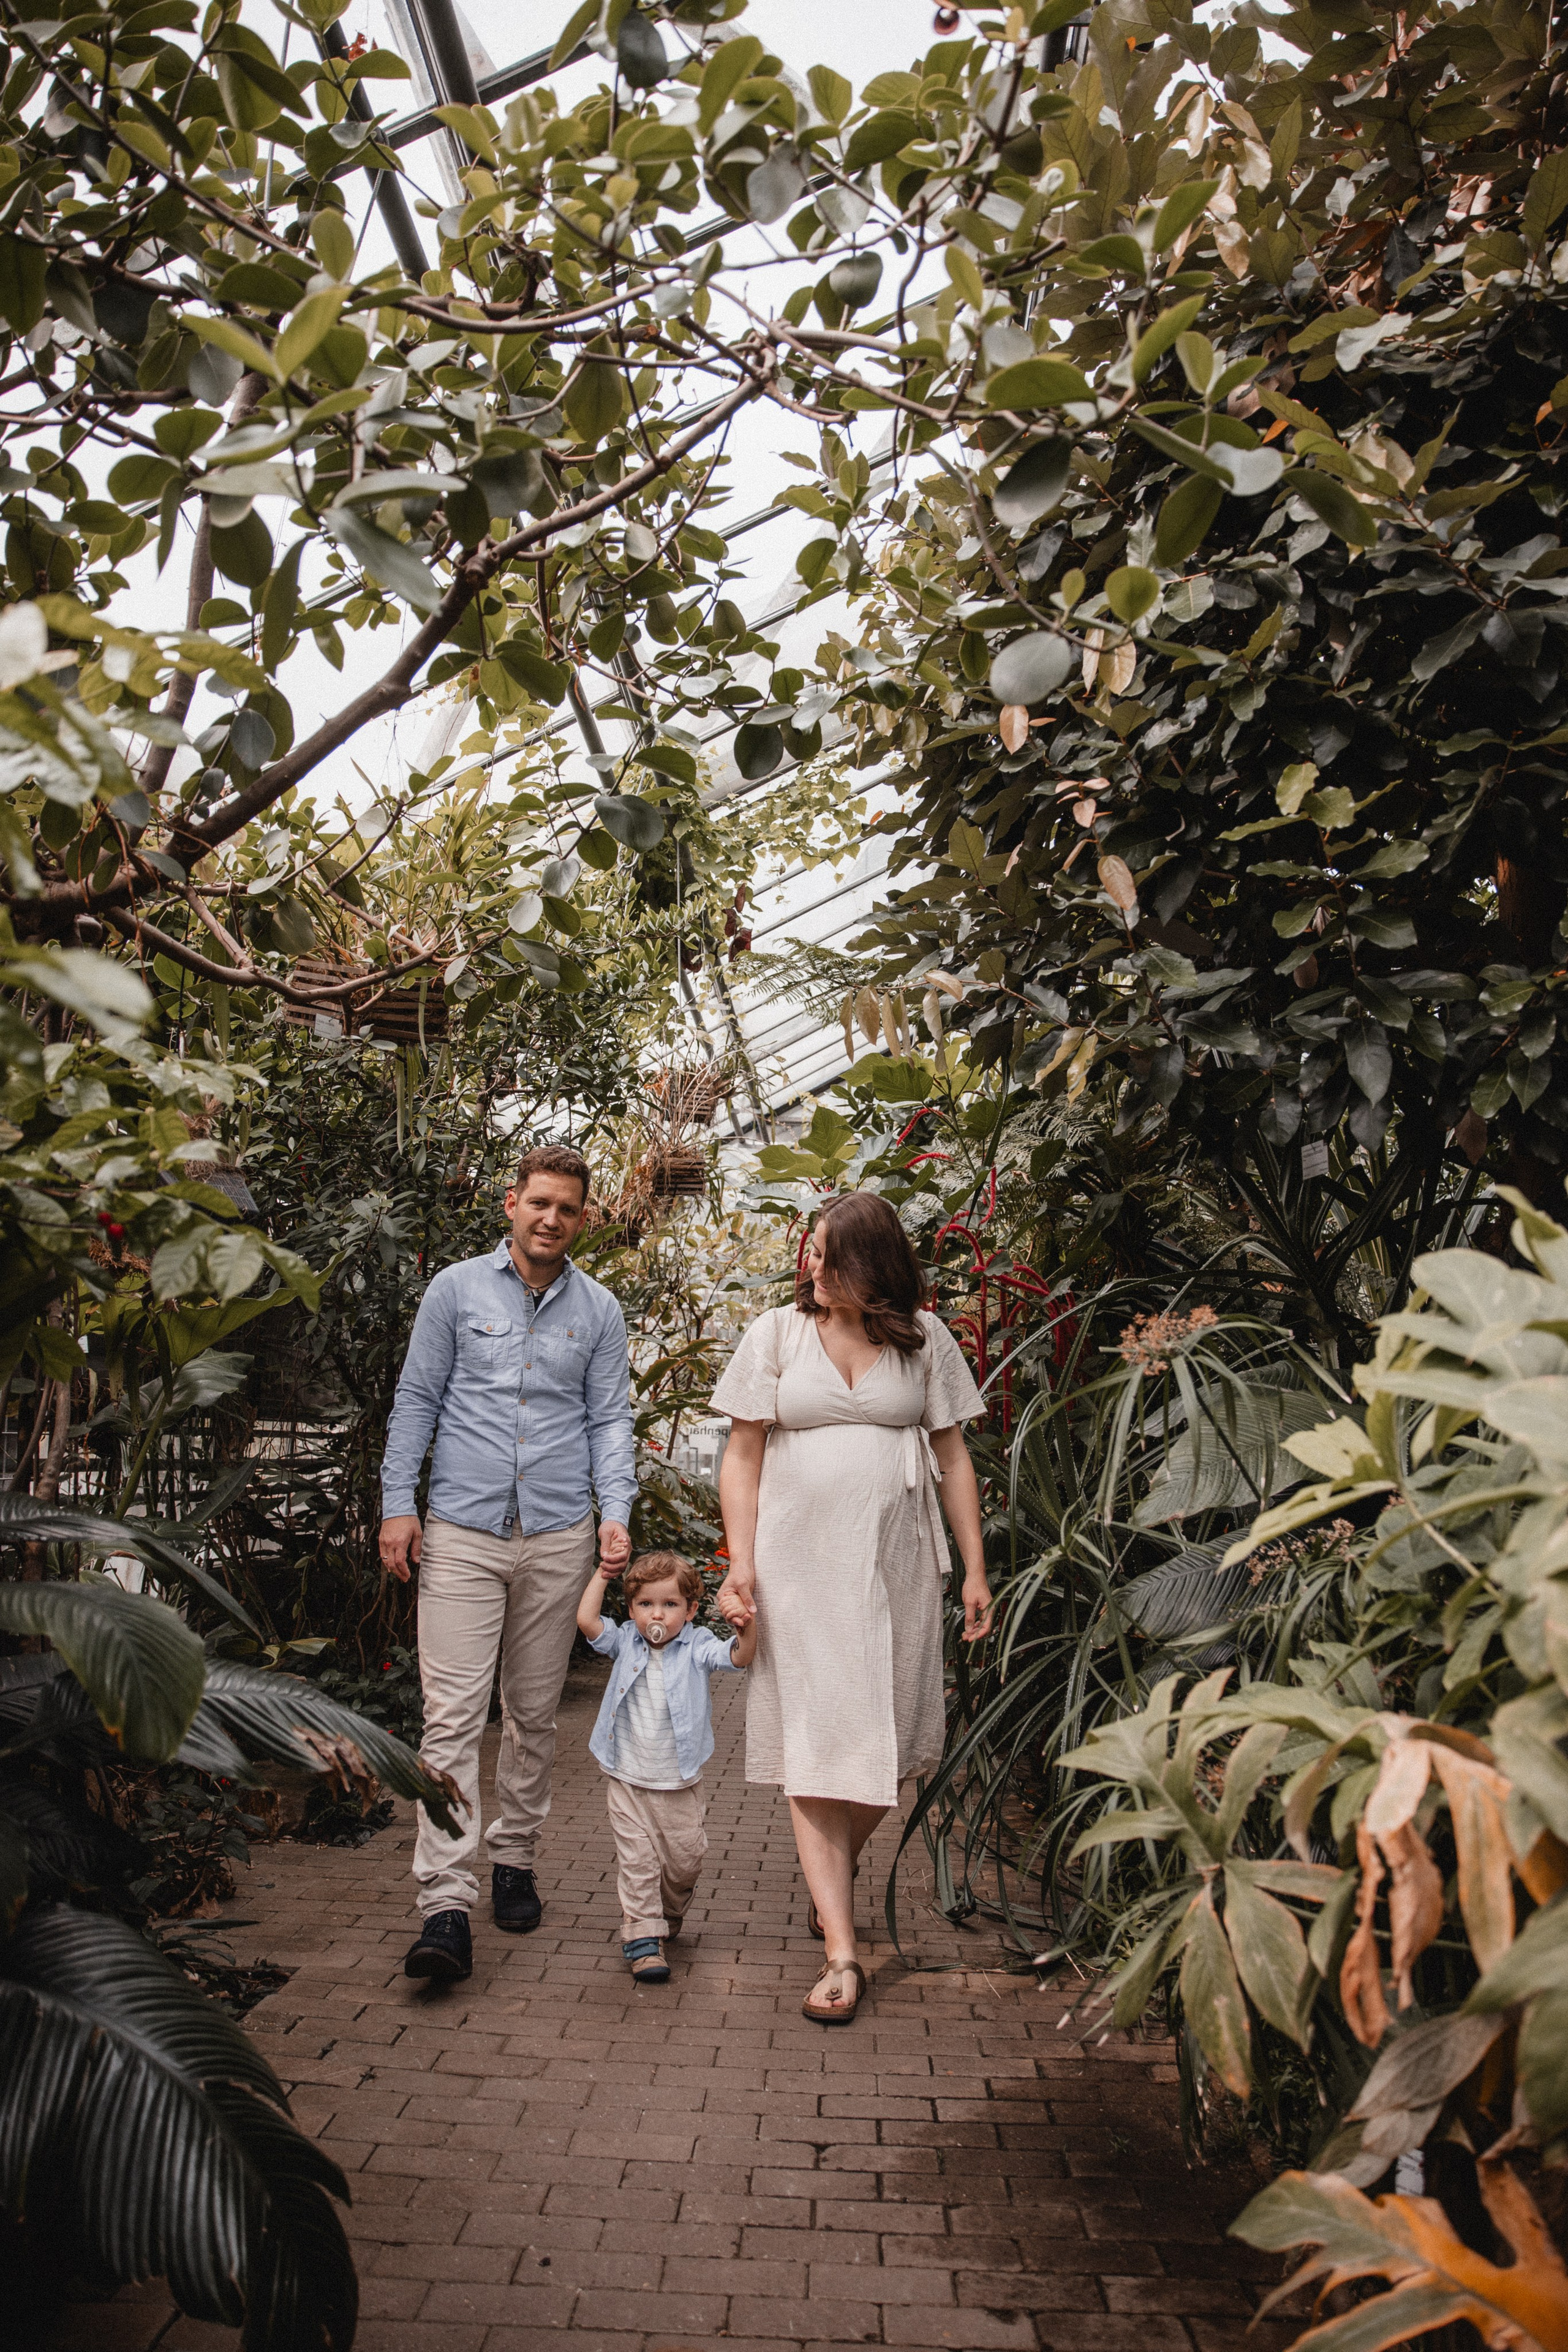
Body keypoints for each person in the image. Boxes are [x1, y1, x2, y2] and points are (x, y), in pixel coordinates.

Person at [710, 1191, 992, 2026]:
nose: (813, 1267)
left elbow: (954, 1456)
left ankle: (831, 1875)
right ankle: (842, 1948)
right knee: (813, 1746)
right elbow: (742, 1456)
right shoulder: (776, 1334)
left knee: (888, 1750)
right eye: (811, 1251)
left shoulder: (924, 1338)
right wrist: (740, 1564)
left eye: (830, 1255)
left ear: (874, 1263)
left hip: (898, 1564)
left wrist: (976, 1568)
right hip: (798, 1569)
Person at [380, 1144, 636, 1985]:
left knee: (531, 1715)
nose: (551, 1219)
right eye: (539, 1204)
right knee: (450, 1719)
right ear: (511, 1203)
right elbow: (418, 1397)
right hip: (461, 1530)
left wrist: (616, 1514)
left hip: (561, 1534)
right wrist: (396, 1504)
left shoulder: (599, 1311)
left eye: (567, 1208)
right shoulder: (455, 1290)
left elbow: (609, 1422)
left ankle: (515, 1858)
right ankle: (446, 1904)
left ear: (582, 1218)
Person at [576, 1549, 757, 1982]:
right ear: (632, 1608)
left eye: (670, 1604)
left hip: (679, 1781)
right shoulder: (625, 1640)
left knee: (684, 1862)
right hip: (627, 1778)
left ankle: (669, 1911)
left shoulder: (696, 1645)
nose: (657, 1614)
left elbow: (739, 1658)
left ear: (692, 1610)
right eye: (645, 1604)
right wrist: (604, 1573)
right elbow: (586, 1622)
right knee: (637, 1861)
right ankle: (643, 1939)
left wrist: (746, 1627)